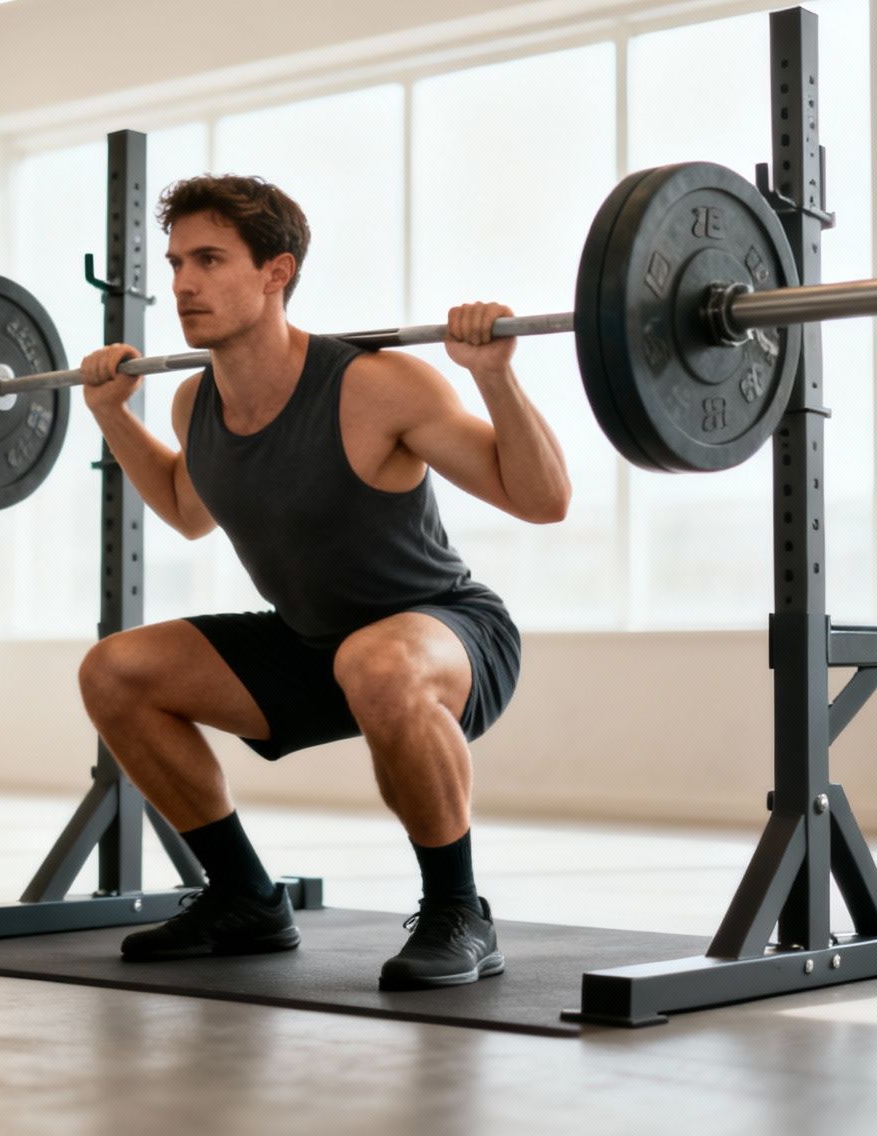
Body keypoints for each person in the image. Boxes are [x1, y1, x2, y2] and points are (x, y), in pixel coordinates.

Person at [75, 174, 572, 991]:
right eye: (174, 264)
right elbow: (185, 508)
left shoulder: (375, 387)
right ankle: (242, 899)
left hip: (445, 630)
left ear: (277, 271)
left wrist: (493, 375)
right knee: (116, 671)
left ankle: (460, 913)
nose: (183, 285)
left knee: (375, 662)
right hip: (313, 642)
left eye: (208, 259)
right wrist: (112, 416)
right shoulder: (196, 401)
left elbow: (543, 500)